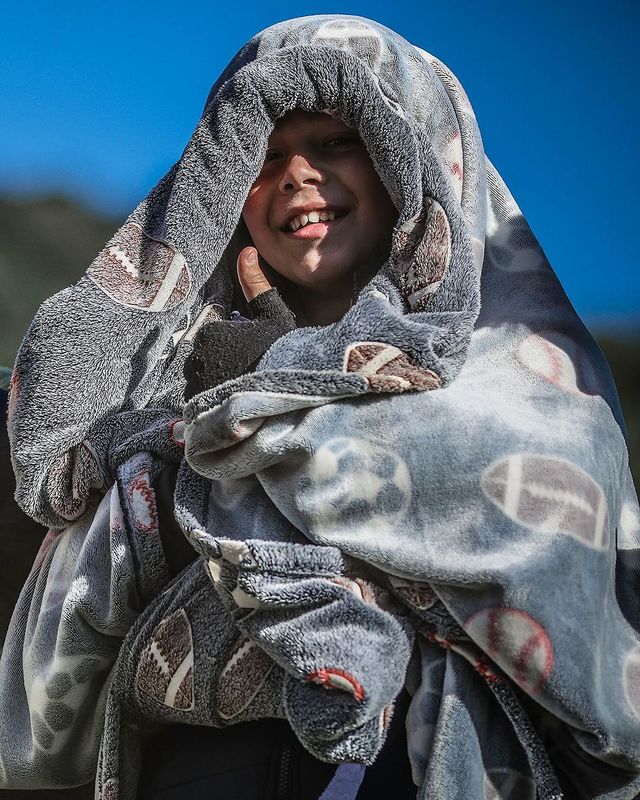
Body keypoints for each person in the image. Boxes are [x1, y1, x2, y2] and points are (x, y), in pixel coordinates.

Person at [1, 14, 639, 800]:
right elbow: (81, 534)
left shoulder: (535, 387)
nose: (299, 174)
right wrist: (228, 399)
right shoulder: (165, 384)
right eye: (265, 155)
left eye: (336, 142)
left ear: (412, 161)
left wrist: (269, 391)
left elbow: (561, 586)